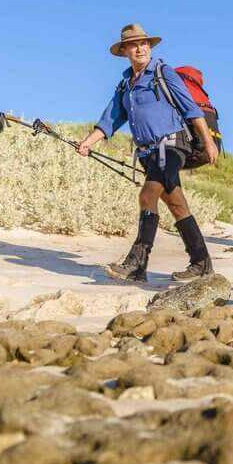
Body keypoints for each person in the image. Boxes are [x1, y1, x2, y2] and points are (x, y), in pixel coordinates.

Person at [77, 23, 219, 283]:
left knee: (147, 194)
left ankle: (136, 263)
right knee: (177, 205)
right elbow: (110, 119)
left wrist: (208, 142)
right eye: (134, 44)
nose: (141, 48)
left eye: (144, 43)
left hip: (173, 145)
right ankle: (202, 263)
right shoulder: (125, 87)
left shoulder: (163, 73)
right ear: (125, 51)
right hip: (148, 153)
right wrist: (88, 142)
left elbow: (191, 109)